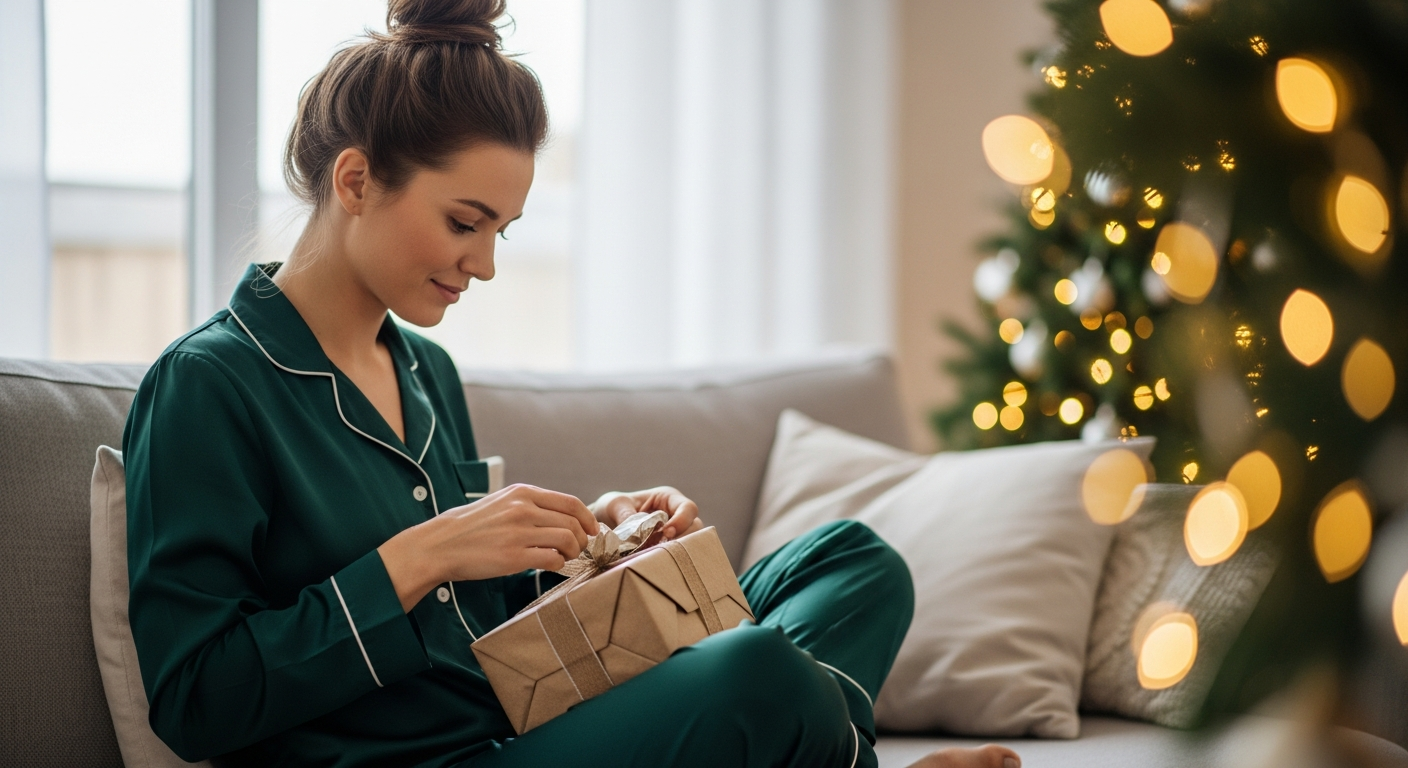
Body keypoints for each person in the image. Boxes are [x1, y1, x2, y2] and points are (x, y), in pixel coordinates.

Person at [123, 1, 1021, 766]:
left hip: (519, 725)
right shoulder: (209, 384)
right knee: (759, 672)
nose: (483, 264)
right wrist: (422, 554)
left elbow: (480, 633)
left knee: (855, 562)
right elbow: (196, 696)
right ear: (355, 179)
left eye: (501, 232)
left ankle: (815, 739)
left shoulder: (423, 370)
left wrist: (595, 546)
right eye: (464, 222)